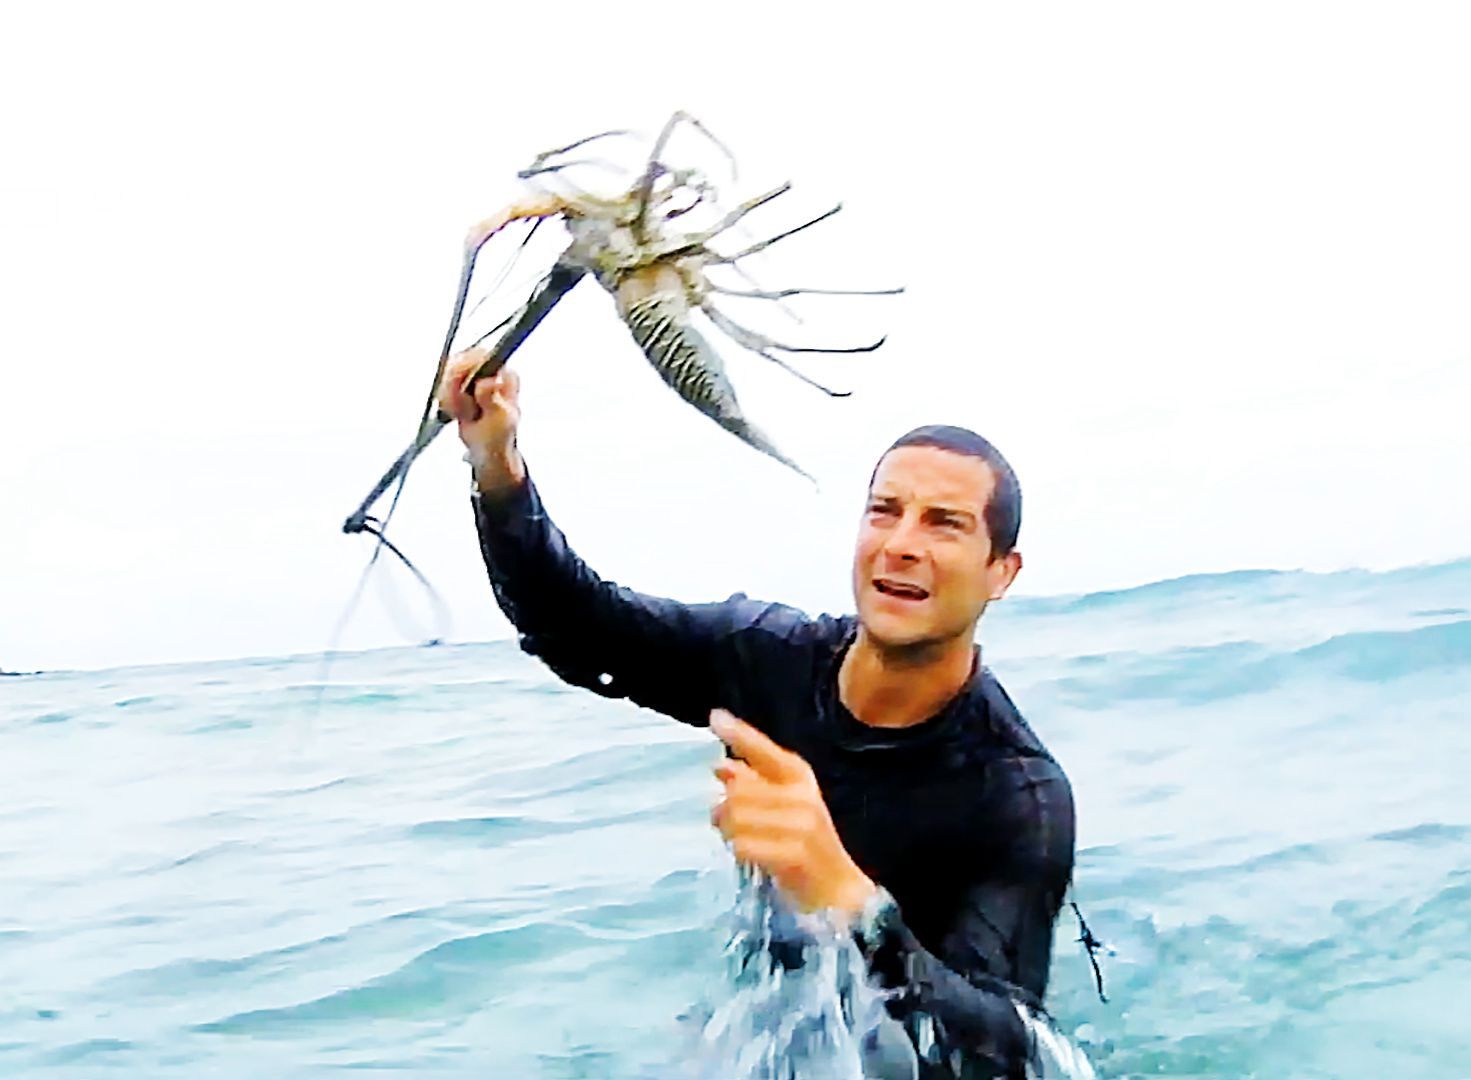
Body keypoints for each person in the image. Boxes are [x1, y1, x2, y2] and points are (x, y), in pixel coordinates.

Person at [442, 351, 1076, 1077]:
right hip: (757, 1027)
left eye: (944, 524)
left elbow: (1008, 1055)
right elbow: (575, 626)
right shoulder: (767, 659)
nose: (902, 545)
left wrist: (855, 903)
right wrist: (496, 463)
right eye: (884, 512)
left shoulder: (1018, 796)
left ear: (1002, 572)